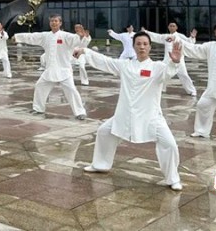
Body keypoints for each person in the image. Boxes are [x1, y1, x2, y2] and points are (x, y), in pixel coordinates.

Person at [74, 31, 183, 190]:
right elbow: (105, 61)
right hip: (124, 115)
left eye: (145, 44)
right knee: (104, 132)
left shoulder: (157, 67)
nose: (142, 47)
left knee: (170, 144)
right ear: (133, 47)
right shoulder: (125, 65)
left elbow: (169, 73)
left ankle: (173, 179)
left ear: (150, 47)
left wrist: (175, 62)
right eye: (138, 44)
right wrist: (85, 51)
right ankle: (100, 165)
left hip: (151, 117)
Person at [14, 14, 86, 119]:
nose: (54, 23)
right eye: (52, 21)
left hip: (64, 70)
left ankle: (80, 112)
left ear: (60, 23)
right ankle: (38, 109)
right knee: (40, 86)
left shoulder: (66, 36)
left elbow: (75, 40)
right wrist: (17, 37)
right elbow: (31, 37)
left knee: (71, 90)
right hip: (50, 70)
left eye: (56, 21)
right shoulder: (45, 36)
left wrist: (80, 35)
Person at [143, 22, 198, 96]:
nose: (172, 27)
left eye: (173, 26)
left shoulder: (180, 36)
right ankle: (162, 89)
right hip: (167, 59)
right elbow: (157, 36)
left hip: (179, 60)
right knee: (162, 74)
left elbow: (190, 42)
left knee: (184, 75)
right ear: (168, 27)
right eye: (170, 26)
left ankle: (191, 91)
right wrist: (146, 32)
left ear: (176, 28)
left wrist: (192, 37)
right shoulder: (166, 36)